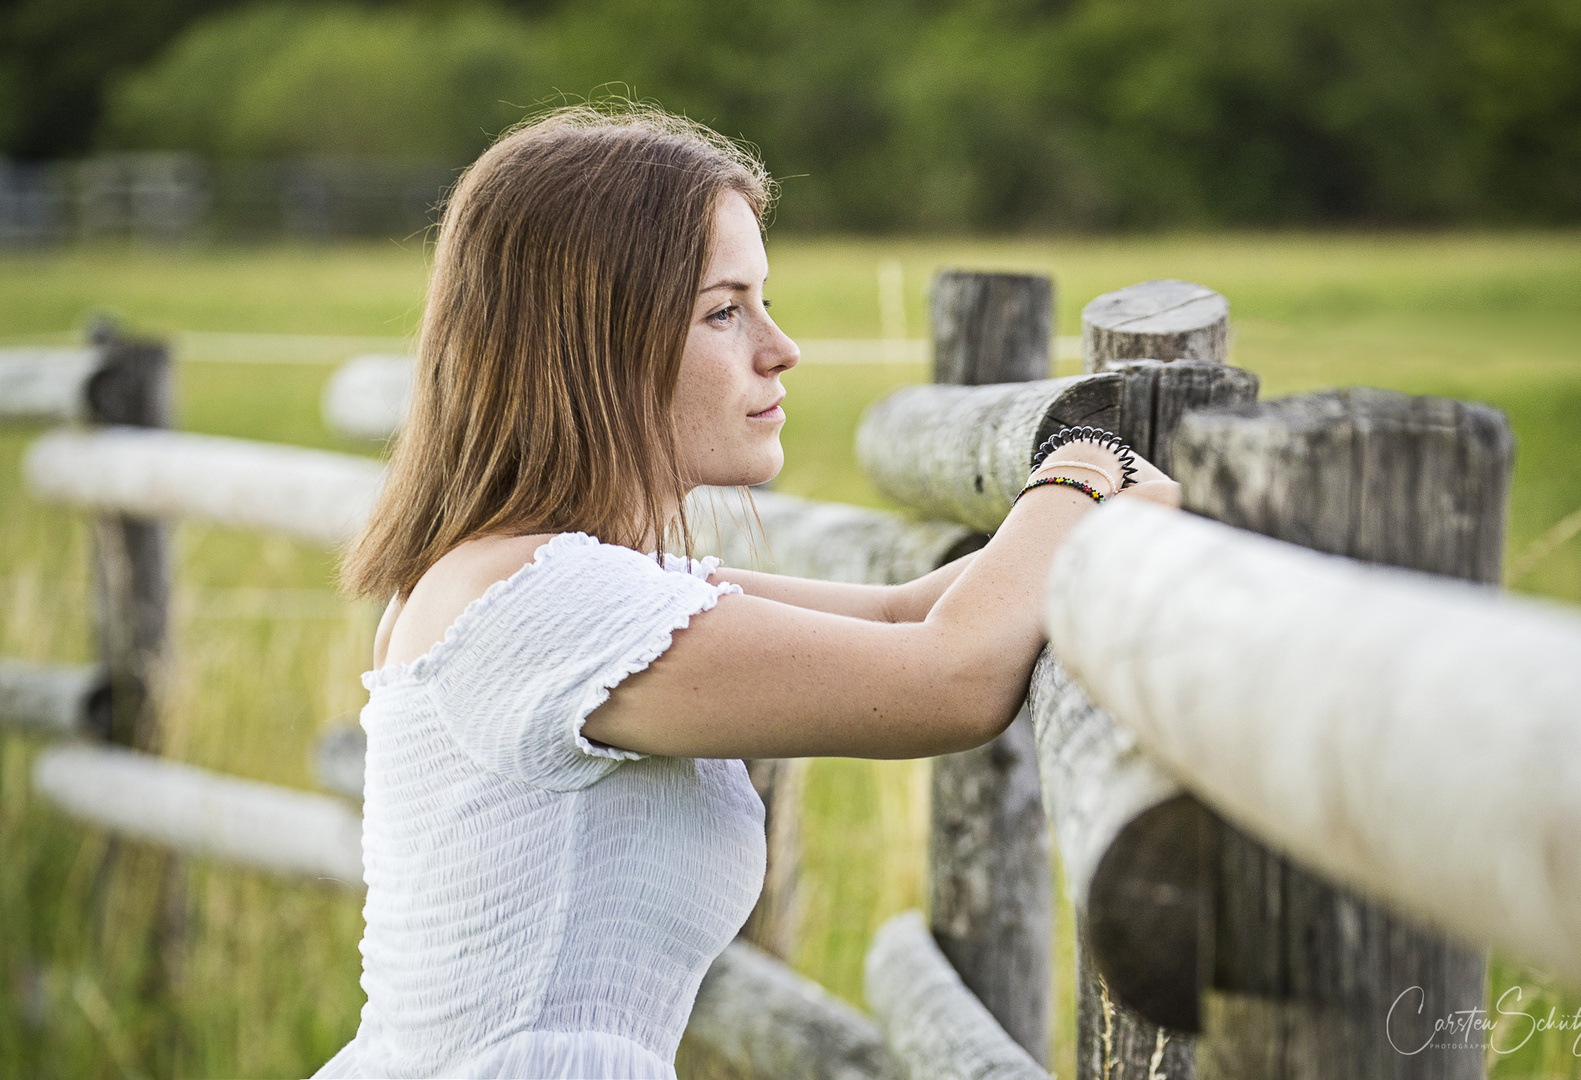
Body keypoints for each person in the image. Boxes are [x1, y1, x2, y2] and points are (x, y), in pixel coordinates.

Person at [314, 103, 1179, 1080]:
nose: (781, 348)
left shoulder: (545, 579)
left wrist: (1109, 517)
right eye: (724, 311)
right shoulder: (535, 603)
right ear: (593, 341)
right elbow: (950, 676)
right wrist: (1084, 467)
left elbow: (911, 614)